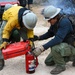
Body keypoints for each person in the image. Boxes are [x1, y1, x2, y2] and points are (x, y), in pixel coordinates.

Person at [32, 5, 75, 74]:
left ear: (55, 17)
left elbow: (58, 39)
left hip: (71, 46)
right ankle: (68, 57)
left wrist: (42, 48)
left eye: (49, 20)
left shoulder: (64, 22)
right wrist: (39, 38)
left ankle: (61, 66)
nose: (49, 21)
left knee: (55, 48)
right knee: (48, 62)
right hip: (64, 46)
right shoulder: (55, 22)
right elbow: (50, 33)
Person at [0, 5, 37, 70]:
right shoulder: (13, 19)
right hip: (7, 18)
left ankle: (32, 56)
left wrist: (31, 39)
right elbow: (6, 30)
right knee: (1, 40)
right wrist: (5, 41)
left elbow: (30, 30)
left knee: (28, 41)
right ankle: (0, 59)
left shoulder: (29, 18)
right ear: (23, 21)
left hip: (20, 21)